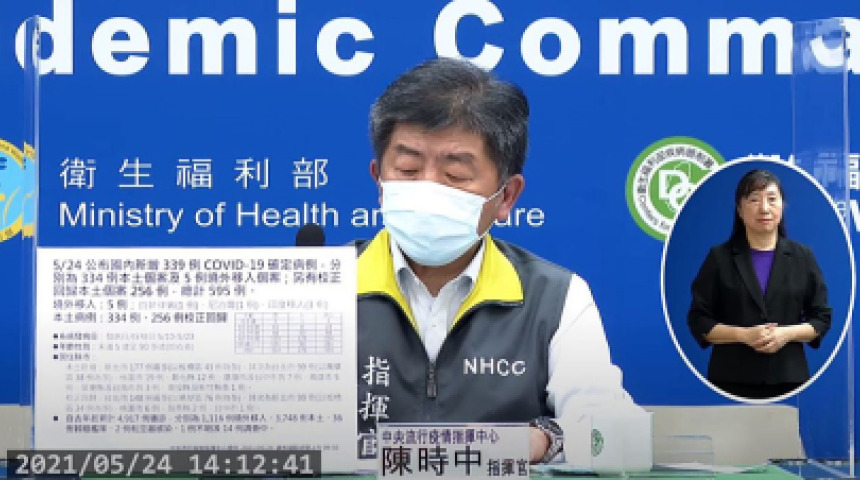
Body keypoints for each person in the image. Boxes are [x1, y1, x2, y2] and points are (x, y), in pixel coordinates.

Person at [353, 57, 640, 464]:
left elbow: (611, 432)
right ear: (379, 181)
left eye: (455, 176)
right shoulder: (316, 289)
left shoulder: (555, 298)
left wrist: (544, 442)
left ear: (506, 196)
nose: (428, 188)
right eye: (408, 169)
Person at [687, 169, 832, 399]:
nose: (764, 208)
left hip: (790, 381)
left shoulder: (803, 257)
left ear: (782, 206)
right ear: (739, 209)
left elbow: (821, 318)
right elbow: (699, 320)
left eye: (772, 199)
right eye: (754, 200)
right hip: (730, 381)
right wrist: (744, 335)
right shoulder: (719, 258)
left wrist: (785, 334)